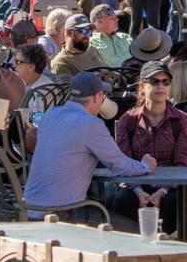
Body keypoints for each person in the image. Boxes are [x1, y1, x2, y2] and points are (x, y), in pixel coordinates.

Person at [21, 72, 152, 218]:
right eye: (103, 96)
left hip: (29, 209)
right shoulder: (91, 124)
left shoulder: (50, 115)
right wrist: (146, 166)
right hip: (61, 214)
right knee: (135, 231)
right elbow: (121, 166)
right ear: (97, 97)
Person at [109, 61, 187, 232]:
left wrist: (161, 191)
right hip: (135, 183)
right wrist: (139, 191)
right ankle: (129, 250)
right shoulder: (128, 120)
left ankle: (171, 249)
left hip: (170, 185)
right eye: (154, 81)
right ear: (143, 86)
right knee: (122, 202)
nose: (160, 86)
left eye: (165, 82)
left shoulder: (181, 120)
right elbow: (122, 163)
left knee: (176, 202)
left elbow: (182, 165)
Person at [50, 15, 103, 80]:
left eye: (89, 31)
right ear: (69, 33)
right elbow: (68, 89)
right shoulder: (61, 62)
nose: (87, 35)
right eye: (83, 30)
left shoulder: (92, 50)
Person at [85, 3, 132, 67]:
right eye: (112, 18)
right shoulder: (91, 43)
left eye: (116, 17)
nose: (117, 19)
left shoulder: (125, 37)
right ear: (99, 22)